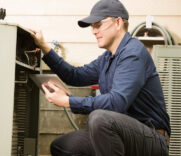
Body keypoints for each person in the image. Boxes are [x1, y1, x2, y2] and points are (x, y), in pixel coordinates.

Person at [30, 0, 170, 155]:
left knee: (100, 119)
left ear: (117, 22)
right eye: (92, 26)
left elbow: (117, 102)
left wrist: (68, 101)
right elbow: (74, 76)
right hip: (122, 133)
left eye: (98, 24)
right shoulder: (108, 58)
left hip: (151, 139)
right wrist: (44, 47)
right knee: (63, 146)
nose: (94, 31)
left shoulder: (133, 54)